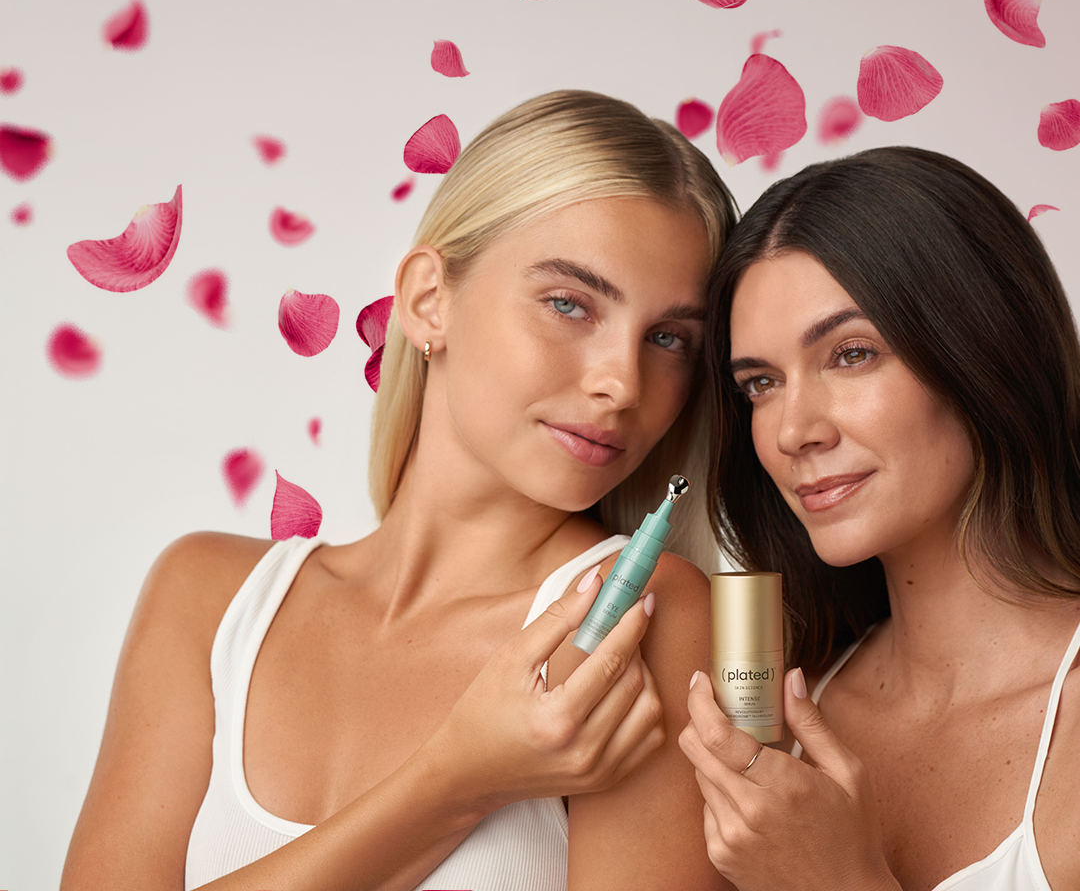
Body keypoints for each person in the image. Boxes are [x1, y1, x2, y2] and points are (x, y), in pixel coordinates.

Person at [61, 90, 737, 891]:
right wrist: (457, 779)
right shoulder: (208, 597)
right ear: (428, 300)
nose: (622, 382)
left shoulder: (635, 614)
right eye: (569, 303)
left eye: (669, 340)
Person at [680, 146, 1080, 891]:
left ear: (983, 347)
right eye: (761, 383)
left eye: (852, 354)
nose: (794, 429)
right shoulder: (775, 701)